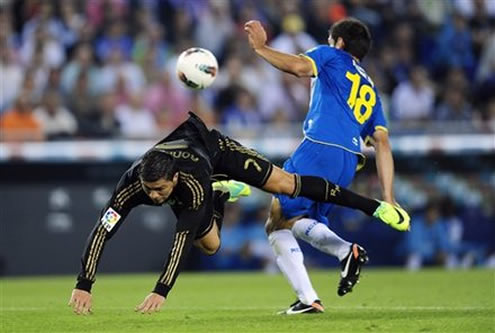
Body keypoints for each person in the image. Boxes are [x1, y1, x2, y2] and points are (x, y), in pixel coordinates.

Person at [68, 112, 409, 315]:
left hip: (216, 150)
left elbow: (180, 241)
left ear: (173, 178)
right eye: (149, 190)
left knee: (285, 184)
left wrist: (160, 291)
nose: (153, 196)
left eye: (159, 189)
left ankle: (373, 205)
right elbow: (102, 230)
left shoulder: (191, 186)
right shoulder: (132, 185)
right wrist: (84, 283)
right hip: (203, 178)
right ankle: (222, 192)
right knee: (212, 246)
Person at [244, 17, 407, 314]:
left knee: (276, 218)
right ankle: (336, 265)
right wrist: (390, 198)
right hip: (348, 162)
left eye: (332, 39)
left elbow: (299, 68)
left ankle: (317, 287)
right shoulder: (371, 90)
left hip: (320, 147)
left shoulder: (330, 55)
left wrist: (261, 48)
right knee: (300, 220)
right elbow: (382, 143)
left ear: (340, 42)